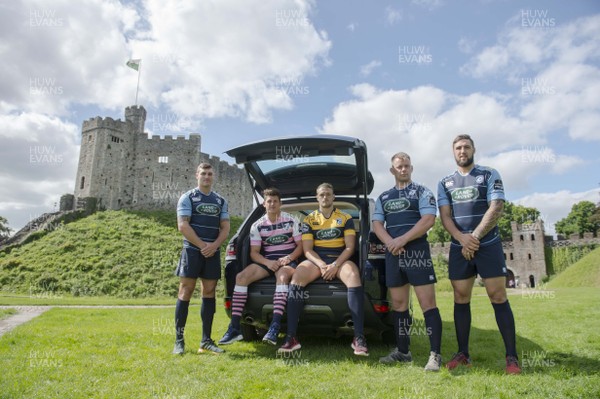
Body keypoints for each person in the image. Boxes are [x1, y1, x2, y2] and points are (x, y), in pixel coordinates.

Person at [438, 134, 521, 374]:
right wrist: (462, 238)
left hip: (488, 244)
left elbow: (496, 207)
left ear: (473, 149)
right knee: (460, 297)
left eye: (466, 147)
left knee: (497, 296)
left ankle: (512, 358)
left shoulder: (489, 174)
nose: (462, 151)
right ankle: (463, 353)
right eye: (458, 148)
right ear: (453, 152)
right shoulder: (445, 182)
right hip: (458, 245)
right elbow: (445, 216)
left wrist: (473, 237)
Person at [278, 183, 369, 356]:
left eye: (328, 194)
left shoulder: (346, 217)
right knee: (297, 277)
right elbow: (307, 250)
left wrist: (334, 265)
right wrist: (321, 265)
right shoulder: (309, 219)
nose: (325, 197)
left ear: (333, 197)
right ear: (317, 197)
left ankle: (358, 338)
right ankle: (291, 337)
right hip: (316, 259)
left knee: (353, 275)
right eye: (321, 195)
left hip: (340, 258)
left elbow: (350, 248)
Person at [372, 152, 443, 371]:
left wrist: (402, 239)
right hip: (393, 254)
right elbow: (377, 225)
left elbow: (428, 219)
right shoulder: (383, 197)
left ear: (412, 168)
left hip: (416, 252)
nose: (403, 169)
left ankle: (435, 355)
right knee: (400, 306)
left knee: (427, 305)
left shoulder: (422, 192)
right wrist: (391, 243)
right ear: (392, 170)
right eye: (399, 166)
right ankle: (403, 352)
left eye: (407, 166)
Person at [218, 187, 303, 346]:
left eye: (275, 201)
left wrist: (289, 257)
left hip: (288, 262)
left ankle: (275, 326)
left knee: (283, 276)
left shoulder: (292, 220)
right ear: (264, 204)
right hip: (268, 261)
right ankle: (235, 328)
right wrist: (268, 263)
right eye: (269, 201)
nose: (272, 204)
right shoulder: (257, 225)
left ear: (280, 203)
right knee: (240, 277)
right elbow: (254, 253)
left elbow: (300, 246)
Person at [172, 162, 230, 355]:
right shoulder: (187, 197)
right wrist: (202, 245)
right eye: (203, 173)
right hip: (192, 250)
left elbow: (225, 227)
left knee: (210, 291)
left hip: (212, 252)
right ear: (197, 175)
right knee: (185, 291)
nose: (207, 177)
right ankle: (179, 341)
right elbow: (183, 226)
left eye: (210, 174)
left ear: (214, 177)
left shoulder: (220, 201)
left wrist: (213, 246)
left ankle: (206, 340)